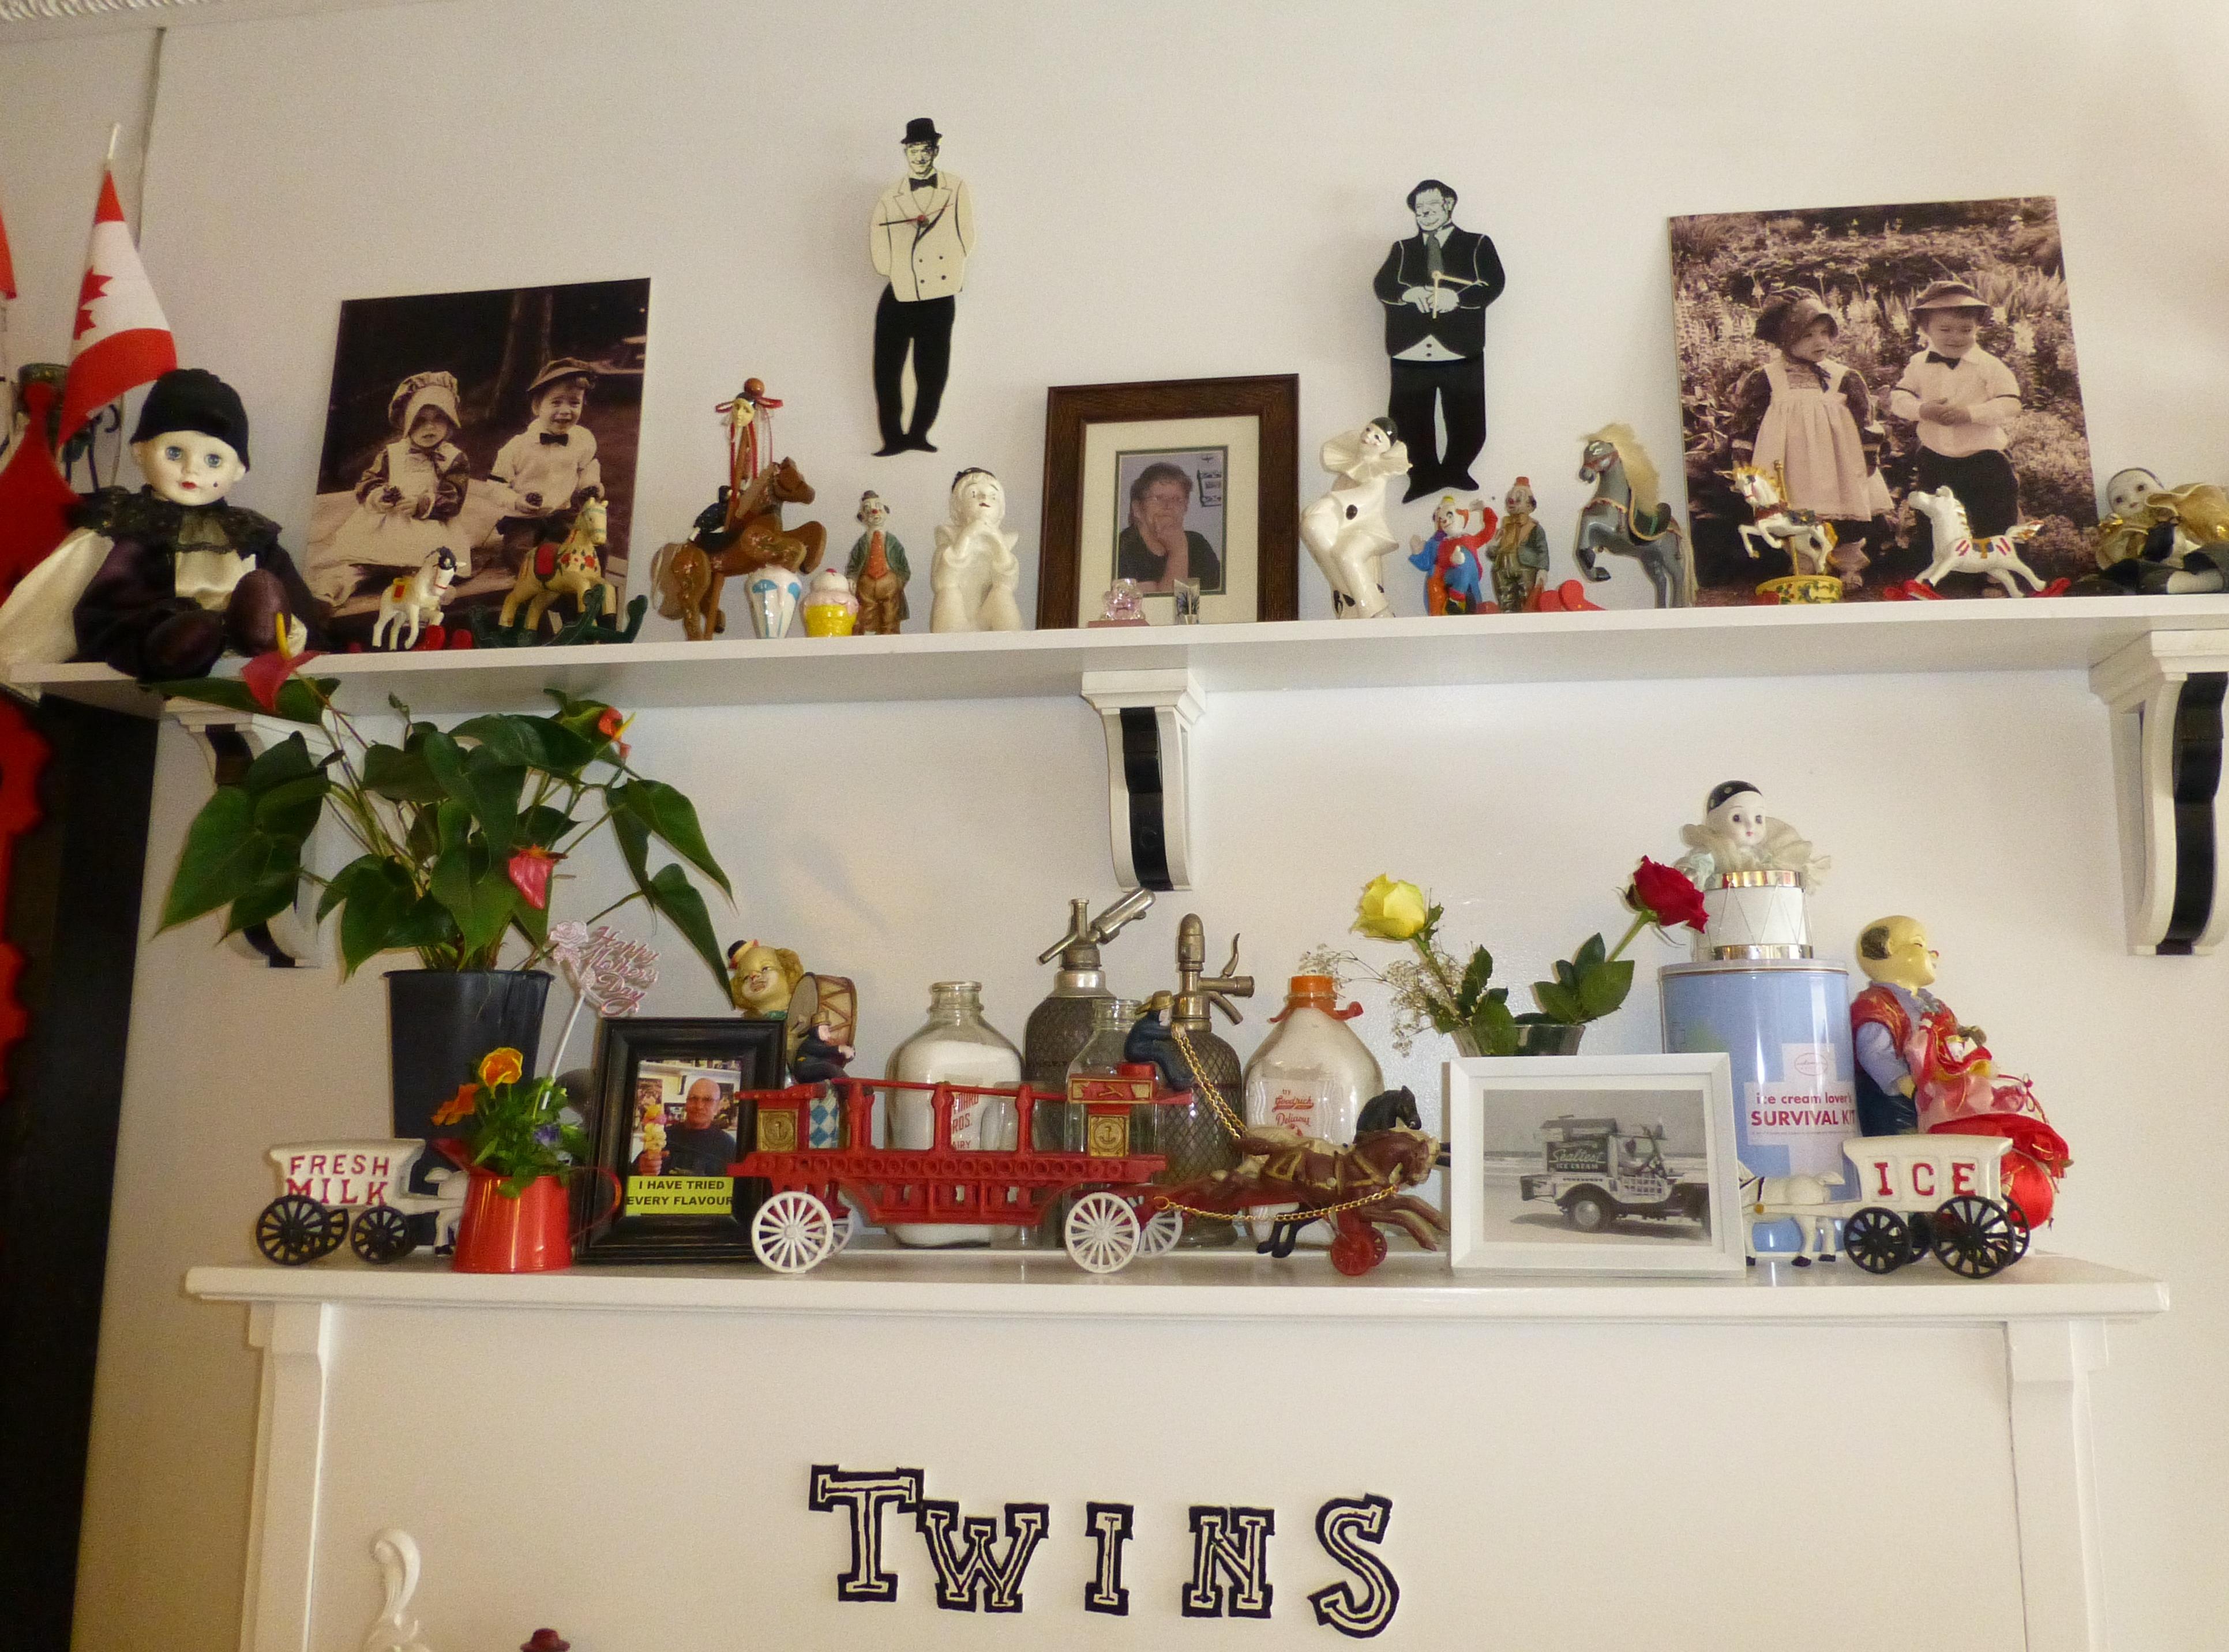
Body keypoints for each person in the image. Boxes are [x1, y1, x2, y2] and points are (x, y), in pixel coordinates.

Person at [0, 368, 325, 681]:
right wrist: (18, 654)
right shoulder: (121, 521)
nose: (191, 470)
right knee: (155, 630)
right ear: (140, 452)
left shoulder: (250, 535)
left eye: (213, 460)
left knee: (263, 594)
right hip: (133, 647)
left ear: (239, 469)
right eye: (174, 453)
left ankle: (252, 635)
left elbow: (299, 605)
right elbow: (60, 587)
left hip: (236, 665)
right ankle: (172, 643)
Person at [1728, 291, 1886, 585]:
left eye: (1825, 333)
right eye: (1808, 335)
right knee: (1795, 510)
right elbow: (1747, 420)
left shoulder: (1844, 376)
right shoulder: (1767, 378)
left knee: (1844, 507)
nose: (1820, 342)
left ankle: (1849, 564)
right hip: (1790, 461)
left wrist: (1869, 453)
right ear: (1785, 339)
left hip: (1837, 461)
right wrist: (1743, 458)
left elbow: (1865, 417)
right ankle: (1805, 563)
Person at [1371, 178, 1504, 502]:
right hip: (1410, 351)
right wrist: (1408, 293)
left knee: (1467, 417)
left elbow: (1493, 283)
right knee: (1409, 418)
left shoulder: (1477, 244)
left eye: (1431, 206)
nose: (1425, 213)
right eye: (1419, 209)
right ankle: (1422, 477)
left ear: (1449, 205)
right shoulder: (1402, 249)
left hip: (1460, 349)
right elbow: (1384, 285)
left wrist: (1458, 298)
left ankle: (1458, 469)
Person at [1888, 281, 2022, 562]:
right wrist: (1923, 409)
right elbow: (1899, 398)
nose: (1956, 337)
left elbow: (2011, 404)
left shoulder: (1989, 365)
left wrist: (1970, 414)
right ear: (1925, 329)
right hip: (1935, 458)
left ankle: (1997, 570)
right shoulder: (1919, 363)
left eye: (1966, 330)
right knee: (1936, 518)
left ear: (1978, 328)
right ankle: (1942, 567)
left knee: (1994, 515)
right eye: (1945, 330)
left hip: (1984, 458)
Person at [314, 371, 472, 605]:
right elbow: (368, 481)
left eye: (439, 419)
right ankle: (329, 593)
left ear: (451, 421)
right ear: (405, 423)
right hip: (387, 524)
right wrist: (379, 496)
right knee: (357, 562)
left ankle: (427, 593)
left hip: (428, 527)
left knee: (429, 563)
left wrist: (422, 504)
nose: (429, 427)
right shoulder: (392, 453)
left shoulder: (453, 458)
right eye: (419, 421)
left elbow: (454, 498)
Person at [869, 117, 974, 456]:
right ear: (906, 152)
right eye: (913, 150)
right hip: (900, 291)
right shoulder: (891, 195)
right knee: (887, 370)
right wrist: (896, 270)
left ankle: (919, 434)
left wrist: (949, 269)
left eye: (925, 149)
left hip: (940, 294)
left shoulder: (955, 187)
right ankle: (892, 438)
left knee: (932, 371)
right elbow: (879, 241)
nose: (919, 156)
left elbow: (966, 236)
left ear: (935, 151)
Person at [490, 358, 605, 571]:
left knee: (592, 545)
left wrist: (590, 485)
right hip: (525, 517)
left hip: (562, 512)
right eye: (556, 402)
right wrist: (517, 501)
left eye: (574, 403)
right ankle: (541, 580)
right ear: (537, 406)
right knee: (518, 550)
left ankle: (587, 583)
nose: (566, 411)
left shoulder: (583, 440)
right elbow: (495, 485)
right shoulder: (517, 447)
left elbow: (589, 466)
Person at [1115, 461, 1222, 594]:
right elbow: (1165, 603)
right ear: (1137, 508)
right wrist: (1179, 550)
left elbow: (1216, 599)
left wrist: (1156, 587)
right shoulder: (1121, 548)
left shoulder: (1198, 544)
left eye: (1177, 499)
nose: (1168, 506)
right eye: (1158, 498)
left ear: (1185, 508)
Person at [845, 490, 911, 633]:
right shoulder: (862, 543)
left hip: (890, 584)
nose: (874, 511)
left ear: (886, 512)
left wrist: (899, 582)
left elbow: (903, 565)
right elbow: (854, 564)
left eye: (878, 507)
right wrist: (852, 578)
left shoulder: (893, 542)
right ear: (862, 517)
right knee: (865, 616)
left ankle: (889, 636)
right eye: (867, 509)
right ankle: (867, 638)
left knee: (890, 615)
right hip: (866, 585)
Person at [656, 1077, 737, 1177]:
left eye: (708, 1100)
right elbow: (639, 1175)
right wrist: (644, 1169)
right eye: (694, 1099)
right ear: (686, 1104)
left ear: (717, 1107)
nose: (699, 1106)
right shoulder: (661, 1137)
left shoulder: (728, 1145)